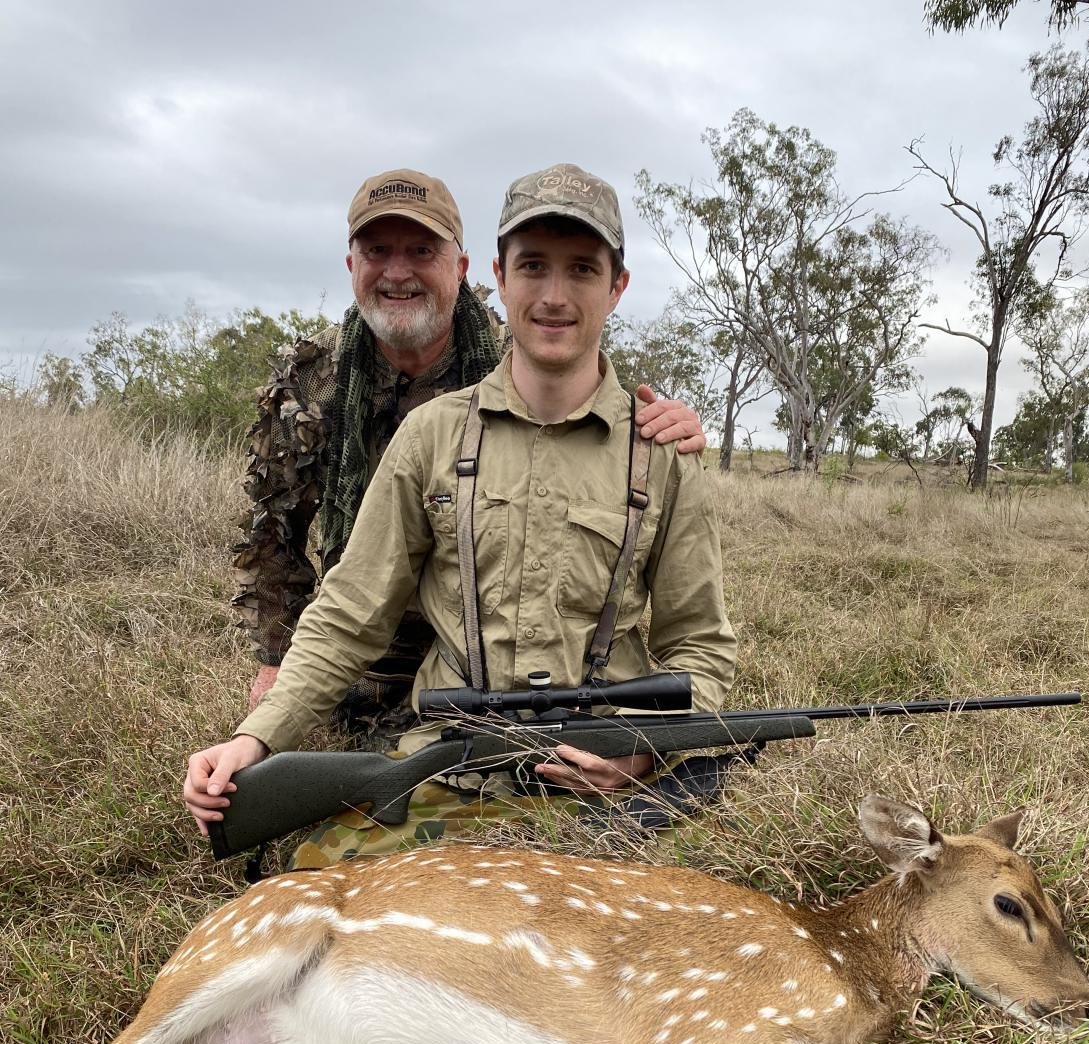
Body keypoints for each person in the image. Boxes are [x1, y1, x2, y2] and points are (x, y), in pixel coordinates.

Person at [186, 164, 737, 865]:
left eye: (583, 270)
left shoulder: (661, 452)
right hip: (451, 760)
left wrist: (642, 747)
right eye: (534, 267)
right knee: (305, 885)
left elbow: (703, 648)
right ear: (501, 278)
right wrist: (252, 739)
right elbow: (348, 613)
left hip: (611, 790)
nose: (555, 296)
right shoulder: (434, 435)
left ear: (617, 286)